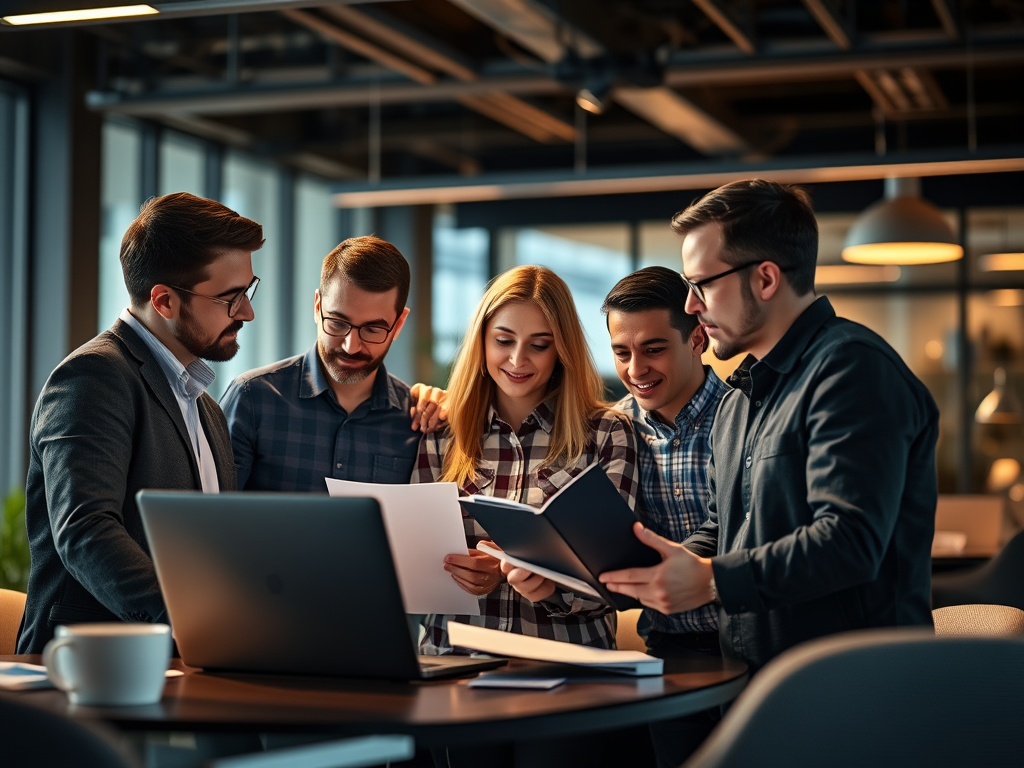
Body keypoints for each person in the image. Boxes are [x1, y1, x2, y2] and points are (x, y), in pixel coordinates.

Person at [601, 179, 939, 673]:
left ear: (764, 279)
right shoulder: (740, 397)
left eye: (703, 285)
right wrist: (658, 569)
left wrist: (712, 579)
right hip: (755, 678)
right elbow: (728, 526)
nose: (692, 305)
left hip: (855, 687)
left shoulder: (851, 369)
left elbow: (849, 540)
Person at [18, 192, 264, 654]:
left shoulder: (203, 404)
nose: (247, 312)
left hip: (188, 663)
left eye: (248, 291)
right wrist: (194, 618)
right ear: (164, 300)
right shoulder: (93, 377)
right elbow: (86, 530)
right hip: (94, 674)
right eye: (230, 298)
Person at [413, 264, 639, 656]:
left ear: (561, 351)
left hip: (568, 670)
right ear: (482, 342)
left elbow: (616, 578)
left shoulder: (606, 433)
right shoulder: (440, 431)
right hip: (453, 666)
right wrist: (458, 573)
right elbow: (412, 562)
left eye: (539, 345)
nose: (518, 360)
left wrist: (551, 587)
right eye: (504, 340)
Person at [602, 267, 729, 766]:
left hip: (748, 640)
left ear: (696, 337)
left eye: (653, 349)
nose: (636, 369)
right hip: (667, 648)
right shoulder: (613, 429)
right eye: (621, 352)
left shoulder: (742, 415)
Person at [220, 236, 445, 492]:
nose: (351, 346)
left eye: (373, 329)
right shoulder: (252, 398)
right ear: (318, 307)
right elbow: (210, 516)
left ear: (399, 324)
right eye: (338, 323)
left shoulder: (418, 420)